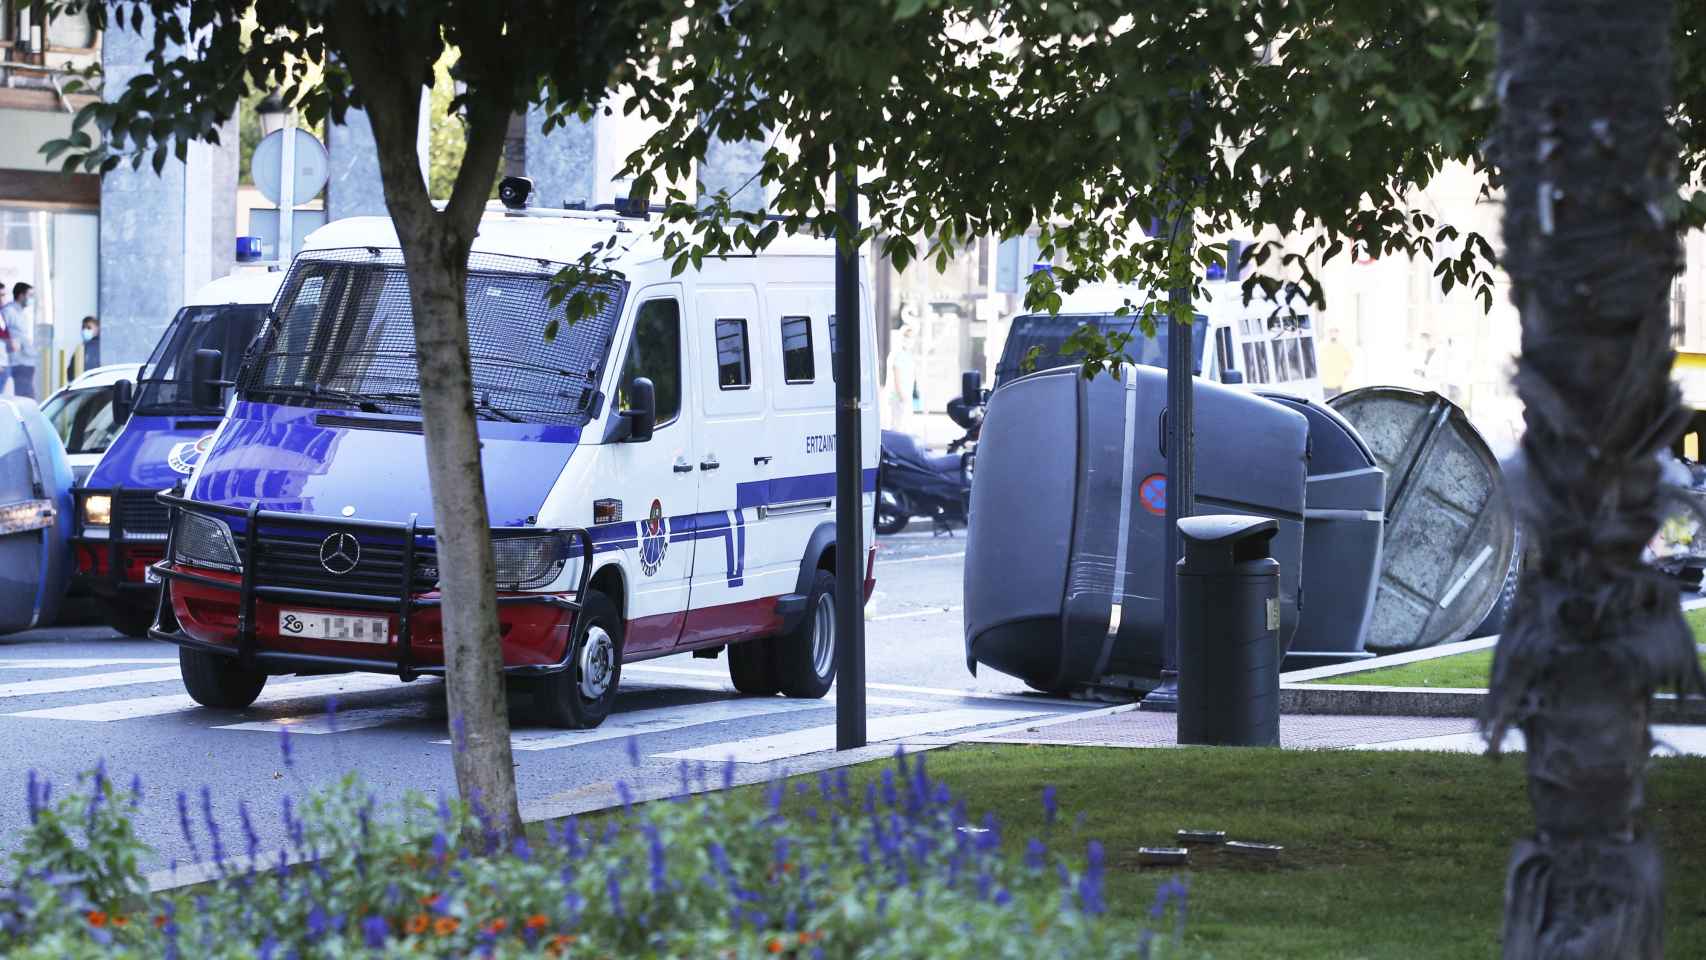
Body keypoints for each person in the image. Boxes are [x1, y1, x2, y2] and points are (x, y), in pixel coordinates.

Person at [1, 283, 37, 400]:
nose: (32, 299)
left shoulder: (23, 314)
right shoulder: (8, 311)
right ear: (21, 296)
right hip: (16, 362)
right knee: (24, 399)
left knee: (27, 398)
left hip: (26, 361)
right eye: (30, 295)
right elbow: (4, 334)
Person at [1320, 326, 1353, 398]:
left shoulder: (1342, 347)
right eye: (1331, 331)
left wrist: (1344, 376)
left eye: (1335, 331)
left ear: (1338, 333)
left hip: (1338, 384)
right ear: (1328, 333)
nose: (1333, 334)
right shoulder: (1323, 347)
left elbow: (1349, 363)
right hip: (1326, 384)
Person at [68, 316, 100, 381]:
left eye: (89, 328)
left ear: (97, 329)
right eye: (83, 328)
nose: (85, 330)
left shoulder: (100, 348)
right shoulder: (81, 348)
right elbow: (71, 371)